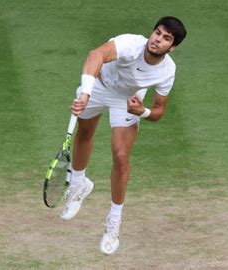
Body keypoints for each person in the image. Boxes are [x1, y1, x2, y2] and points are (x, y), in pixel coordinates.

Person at [60, 16, 187, 255]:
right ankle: (78, 185)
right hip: (98, 86)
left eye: (166, 38)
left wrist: (143, 111)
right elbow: (95, 55)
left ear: (172, 47)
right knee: (85, 132)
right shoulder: (130, 44)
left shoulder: (168, 71)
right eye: (157, 33)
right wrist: (86, 93)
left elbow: (159, 111)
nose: (157, 40)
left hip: (127, 100)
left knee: (120, 156)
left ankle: (113, 223)